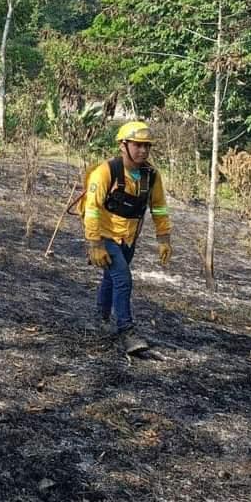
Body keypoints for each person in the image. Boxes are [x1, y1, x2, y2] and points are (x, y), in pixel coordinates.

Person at [84, 121, 172, 354]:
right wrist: (95, 243)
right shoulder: (105, 172)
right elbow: (91, 209)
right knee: (123, 279)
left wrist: (163, 237)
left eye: (146, 146)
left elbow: (159, 206)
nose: (143, 150)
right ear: (123, 145)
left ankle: (100, 318)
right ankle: (127, 331)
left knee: (111, 279)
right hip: (105, 237)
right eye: (137, 145)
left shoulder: (151, 176)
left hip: (129, 238)